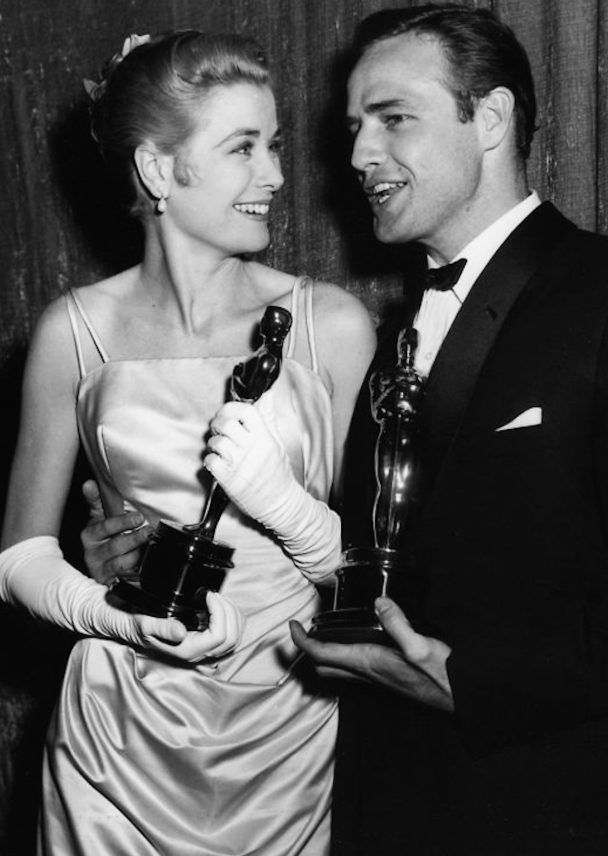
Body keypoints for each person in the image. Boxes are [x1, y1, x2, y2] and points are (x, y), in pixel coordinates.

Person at [0, 30, 375, 856]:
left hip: (290, 734)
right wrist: (115, 616)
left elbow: (385, 580)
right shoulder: (75, 333)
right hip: (115, 746)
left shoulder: (331, 328)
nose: (277, 174)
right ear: (158, 170)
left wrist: (284, 507)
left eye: (272, 145)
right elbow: (19, 557)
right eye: (243, 147)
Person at [287, 5, 608, 855]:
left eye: (393, 118)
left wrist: (466, 683)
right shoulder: (390, 337)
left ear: (490, 117)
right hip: (387, 808)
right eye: (354, 128)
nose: (360, 155)